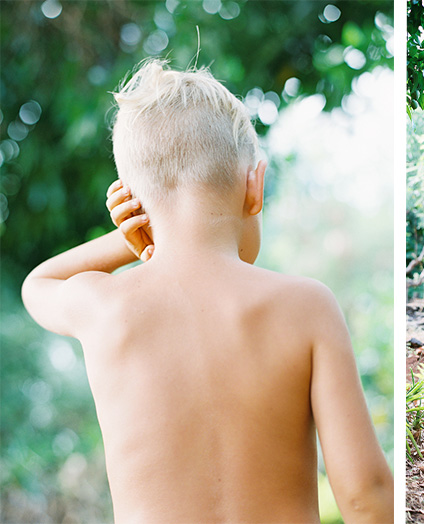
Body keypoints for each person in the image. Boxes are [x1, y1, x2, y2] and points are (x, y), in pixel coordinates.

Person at [21, 59, 393, 523]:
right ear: (254, 187)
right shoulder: (306, 306)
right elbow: (365, 493)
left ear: (133, 203)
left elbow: (37, 284)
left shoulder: (105, 306)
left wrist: (130, 237)